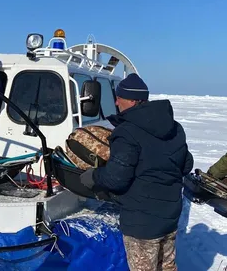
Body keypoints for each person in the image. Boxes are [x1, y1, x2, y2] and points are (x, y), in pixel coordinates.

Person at [79, 73, 194, 271]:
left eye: (119, 97)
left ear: (131, 101)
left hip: (142, 222)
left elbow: (116, 179)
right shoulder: (174, 127)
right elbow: (186, 164)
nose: (116, 101)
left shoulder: (127, 132)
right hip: (169, 216)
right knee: (167, 267)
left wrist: (92, 177)